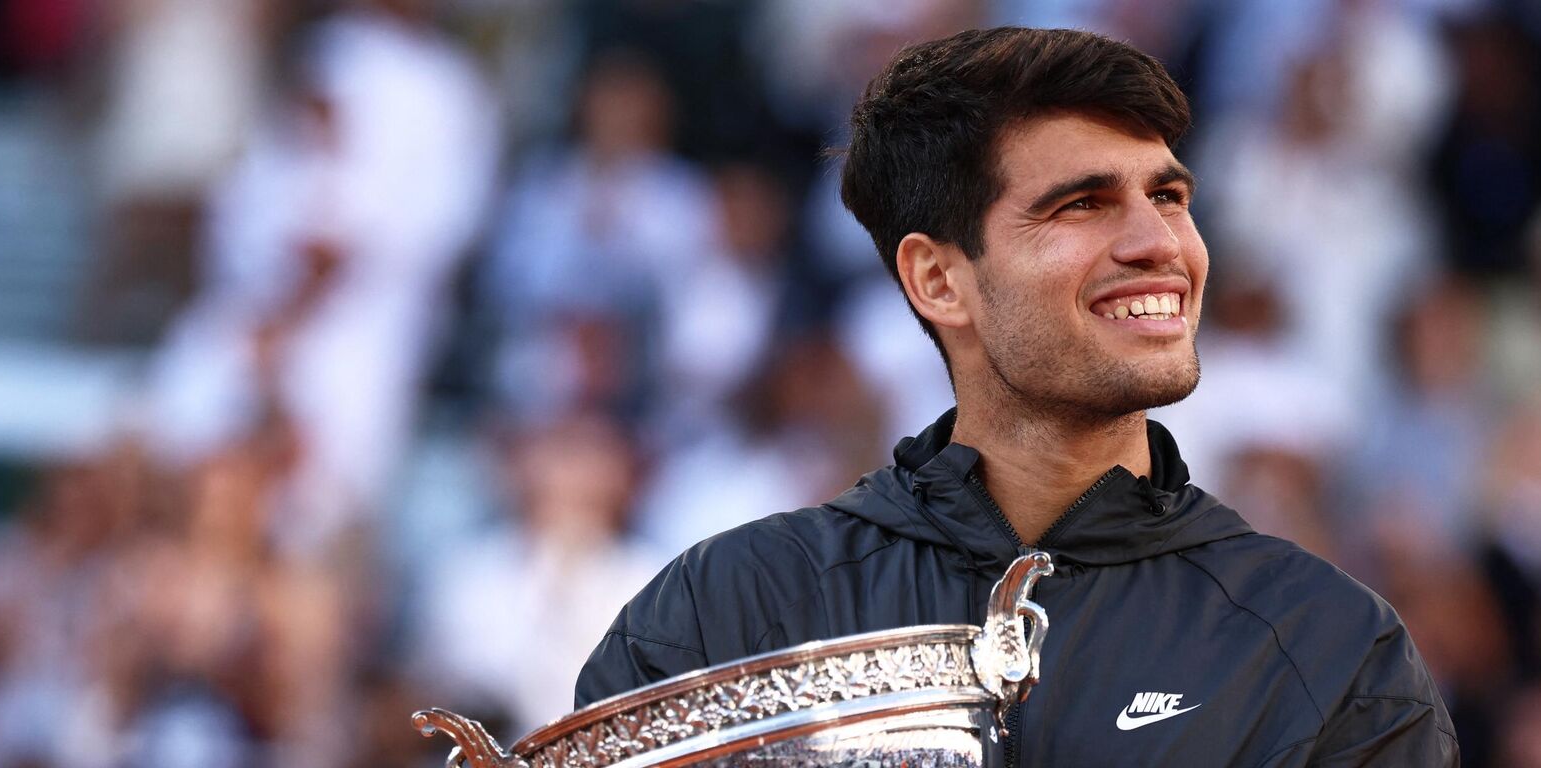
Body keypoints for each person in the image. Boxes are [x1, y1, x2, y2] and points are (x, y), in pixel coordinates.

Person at [574, 27, 1459, 766]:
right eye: (1082, 205)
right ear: (938, 280)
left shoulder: (1330, 650)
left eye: (1170, 195)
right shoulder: (725, 612)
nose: (1160, 243)